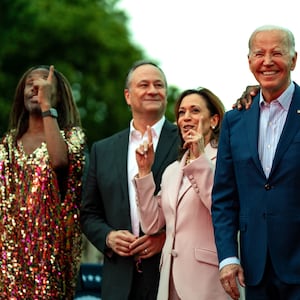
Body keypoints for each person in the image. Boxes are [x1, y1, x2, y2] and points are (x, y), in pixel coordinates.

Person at [212, 24, 300, 300]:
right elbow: (224, 198)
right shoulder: (234, 120)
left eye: (277, 53)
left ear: (294, 59)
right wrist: (228, 257)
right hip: (254, 270)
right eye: (259, 54)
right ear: (249, 61)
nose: (268, 61)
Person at [80, 60, 180, 299]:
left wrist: (165, 238)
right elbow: (88, 212)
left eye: (159, 85)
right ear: (128, 95)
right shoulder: (102, 150)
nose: (153, 90)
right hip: (118, 279)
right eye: (143, 84)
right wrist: (107, 237)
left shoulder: (185, 143)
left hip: (171, 276)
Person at [0, 65, 86, 298]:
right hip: (7, 266)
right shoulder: (7, 143)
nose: (35, 89)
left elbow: (59, 162)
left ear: (56, 96)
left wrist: (47, 107)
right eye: (30, 84)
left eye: (43, 86)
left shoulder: (71, 137)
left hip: (50, 265)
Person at [133, 87, 227, 299]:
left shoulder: (225, 160)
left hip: (209, 280)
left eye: (194, 111)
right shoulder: (171, 170)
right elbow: (151, 224)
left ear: (214, 120)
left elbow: (221, 208)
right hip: (169, 283)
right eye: (181, 113)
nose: (186, 118)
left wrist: (200, 159)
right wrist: (145, 171)